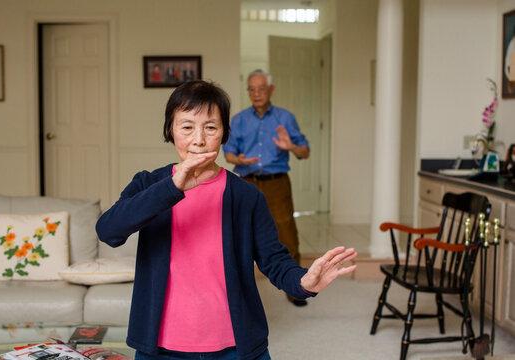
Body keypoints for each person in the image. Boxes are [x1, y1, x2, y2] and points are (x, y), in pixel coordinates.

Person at [96, 80, 357, 360]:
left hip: (236, 347)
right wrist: (172, 188)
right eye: (186, 127)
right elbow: (109, 230)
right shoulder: (150, 184)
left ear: (223, 134)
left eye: (210, 127)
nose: (198, 139)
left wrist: (304, 282)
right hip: (160, 349)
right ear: (170, 130)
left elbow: (275, 261)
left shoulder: (247, 196)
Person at [223, 69, 310, 306]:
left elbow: (305, 152)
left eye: (261, 88)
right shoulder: (239, 120)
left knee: (287, 234)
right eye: (252, 89)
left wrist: (290, 145)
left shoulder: (285, 118)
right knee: (238, 234)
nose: (256, 93)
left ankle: (296, 288)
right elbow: (228, 153)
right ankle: (236, 289)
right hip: (245, 182)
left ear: (271, 90)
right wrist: (238, 160)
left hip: (277, 183)